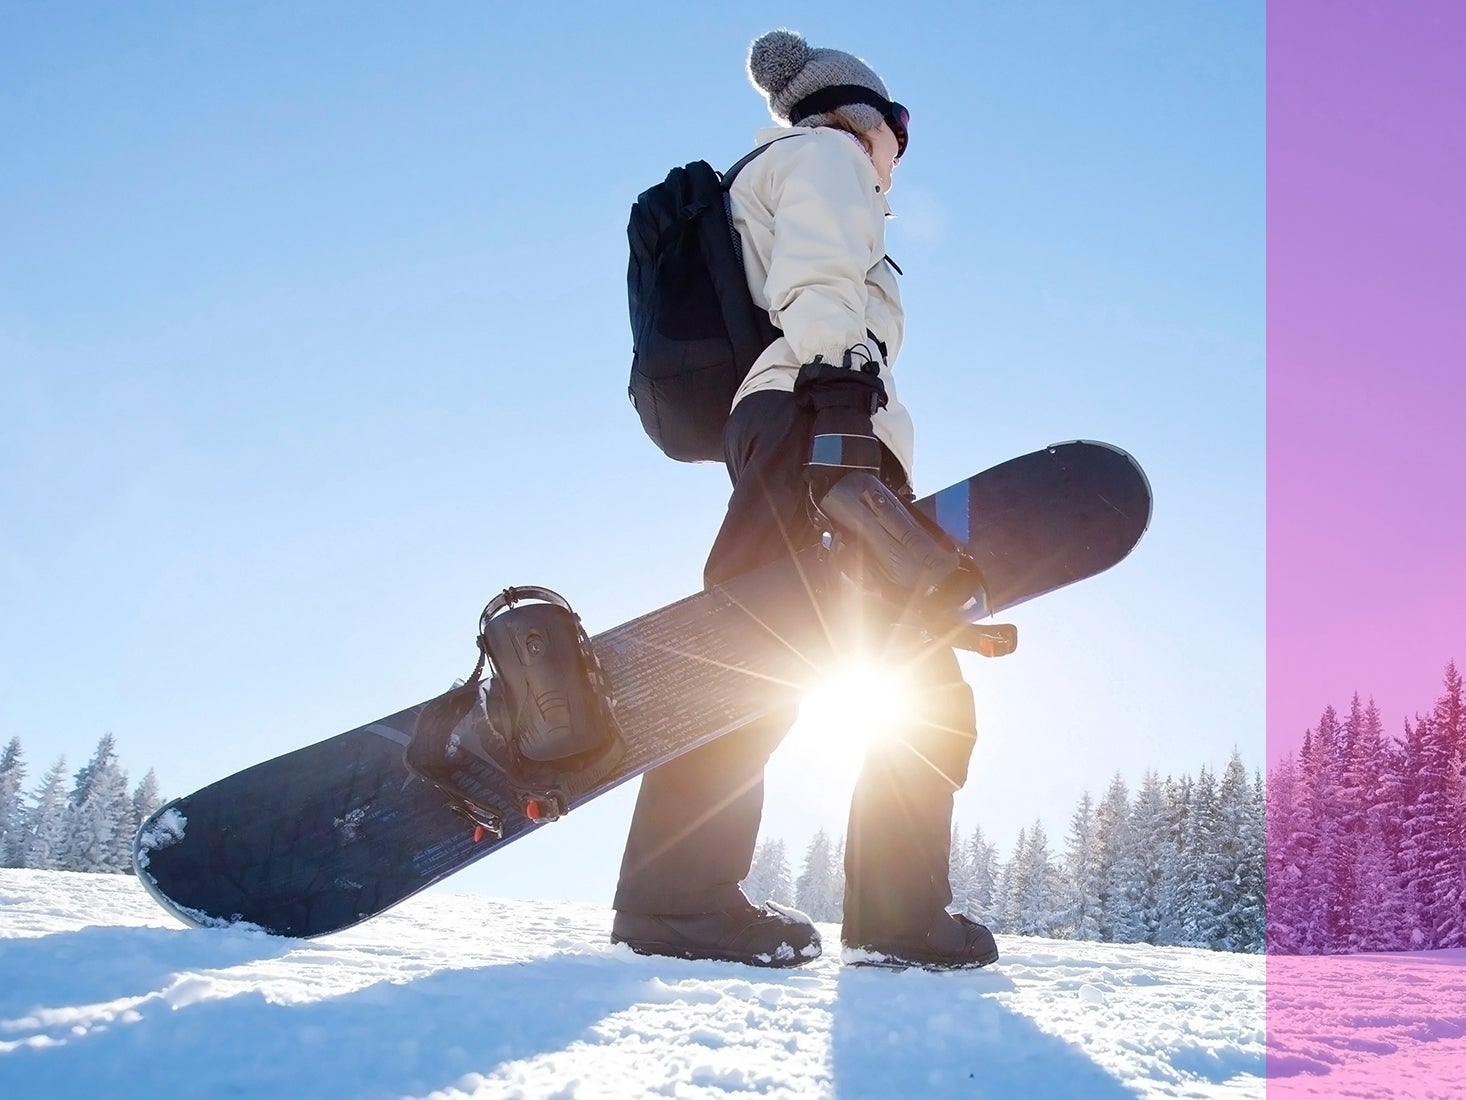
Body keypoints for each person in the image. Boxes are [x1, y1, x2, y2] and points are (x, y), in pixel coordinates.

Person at [610, 29, 999, 970]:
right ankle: (684, 902)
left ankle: (886, 911)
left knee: (884, 672)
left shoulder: (794, 169)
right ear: (864, 118)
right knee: (762, 658)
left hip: (813, 424)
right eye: (898, 127)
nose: (900, 149)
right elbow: (821, 281)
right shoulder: (825, 159)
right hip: (821, 425)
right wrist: (839, 417)